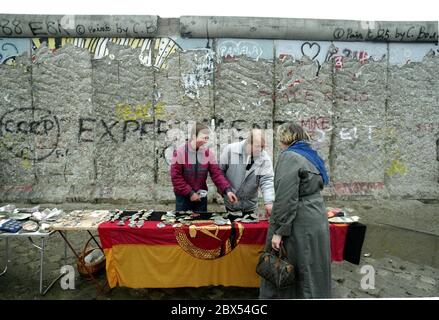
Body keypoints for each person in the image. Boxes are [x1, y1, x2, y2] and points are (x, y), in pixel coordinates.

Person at [259, 122, 331, 299]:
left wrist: (279, 231)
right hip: (316, 216)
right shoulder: (311, 155)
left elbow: (286, 198)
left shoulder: (290, 156)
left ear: (284, 138)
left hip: (300, 220)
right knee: (314, 266)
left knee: (295, 266)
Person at [170, 123, 238, 212]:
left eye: (207, 138)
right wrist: (190, 193)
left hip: (201, 198)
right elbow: (176, 177)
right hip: (183, 198)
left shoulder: (208, 154)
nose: (206, 141)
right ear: (194, 137)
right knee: (182, 225)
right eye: (203, 138)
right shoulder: (179, 153)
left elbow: (217, 174)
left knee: (202, 224)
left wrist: (227, 190)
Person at [219, 129, 274, 218]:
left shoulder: (264, 158)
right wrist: (226, 190)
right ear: (248, 143)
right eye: (257, 146)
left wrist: (269, 202)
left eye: (262, 147)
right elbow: (220, 172)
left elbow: (267, 181)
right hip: (231, 203)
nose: (260, 149)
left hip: (250, 206)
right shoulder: (230, 150)